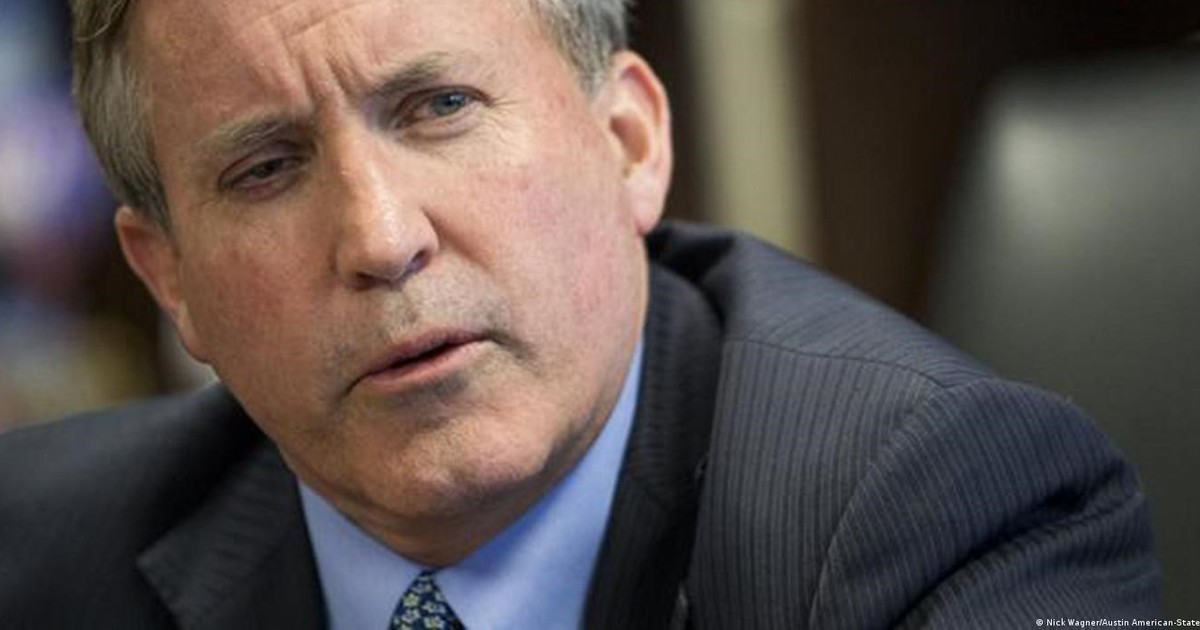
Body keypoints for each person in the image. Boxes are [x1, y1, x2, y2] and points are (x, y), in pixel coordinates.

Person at [0, 0, 1159, 627]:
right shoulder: (33, 552)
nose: (381, 239)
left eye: (440, 106)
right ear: (170, 280)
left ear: (629, 143)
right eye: (265, 169)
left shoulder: (949, 510)